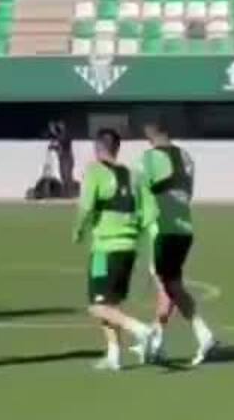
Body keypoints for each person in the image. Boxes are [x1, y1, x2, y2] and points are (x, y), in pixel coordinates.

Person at [75, 128, 159, 370]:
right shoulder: (134, 176)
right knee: (111, 303)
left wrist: (78, 229)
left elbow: (86, 206)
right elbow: (149, 214)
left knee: (97, 305)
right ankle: (114, 356)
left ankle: (141, 330)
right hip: (129, 248)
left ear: (97, 148)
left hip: (105, 249)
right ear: (117, 148)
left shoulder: (95, 172)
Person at [139, 119, 217, 365]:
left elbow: (143, 192)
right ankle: (157, 342)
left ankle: (202, 334)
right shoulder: (185, 156)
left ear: (150, 136)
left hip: (162, 228)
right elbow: (188, 192)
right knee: (171, 284)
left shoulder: (150, 159)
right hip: (184, 226)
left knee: (168, 286)